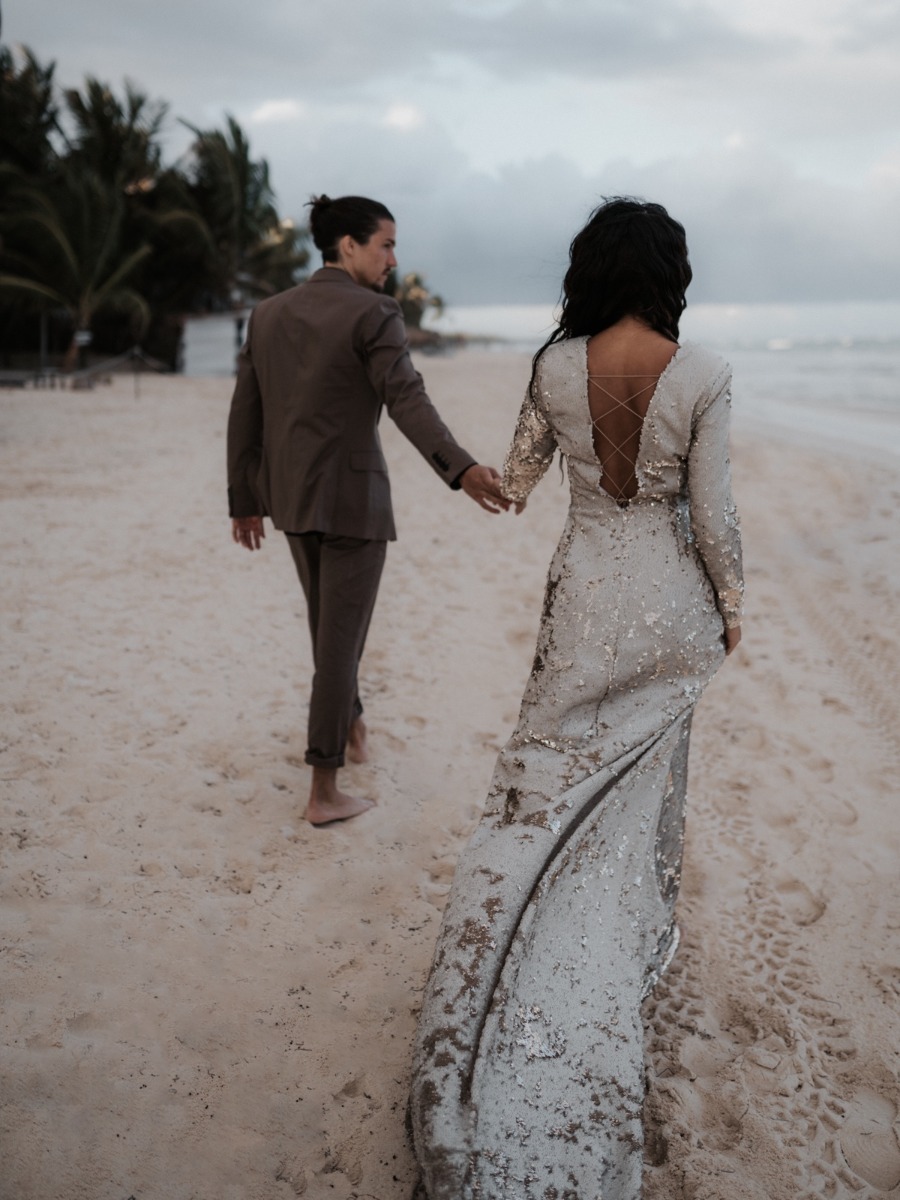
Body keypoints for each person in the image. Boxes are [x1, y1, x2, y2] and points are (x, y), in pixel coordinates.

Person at [409, 197, 744, 1198]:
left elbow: (514, 480)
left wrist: (472, 473)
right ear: (669, 271)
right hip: (670, 607)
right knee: (643, 787)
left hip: (585, 604)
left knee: (546, 781)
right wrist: (732, 607)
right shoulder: (706, 373)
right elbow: (715, 514)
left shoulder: (555, 366)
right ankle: (627, 936)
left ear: (591, 270)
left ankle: (523, 941)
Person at [227, 194, 507, 827]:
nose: (393, 258)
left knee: (329, 628)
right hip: (353, 502)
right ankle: (324, 790)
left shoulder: (267, 314)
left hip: (290, 497)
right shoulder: (375, 313)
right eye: (385, 244)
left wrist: (244, 499)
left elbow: (246, 411)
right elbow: (406, 399)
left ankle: (352, 726)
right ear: (347, 245)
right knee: (338, 642)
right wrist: (460, 469)